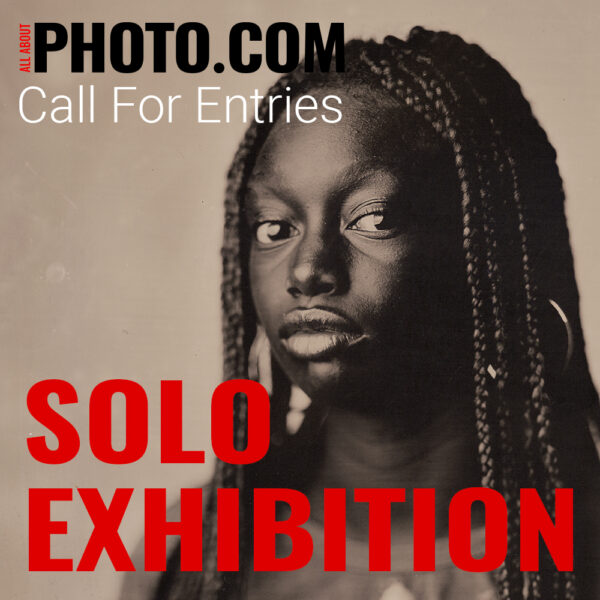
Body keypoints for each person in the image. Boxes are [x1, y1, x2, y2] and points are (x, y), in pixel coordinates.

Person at [127, 27, 600, 600]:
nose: (306, 271)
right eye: (274, 228)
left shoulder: (583, 549)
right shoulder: (188, 559)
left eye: (373, 219)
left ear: (492, 250)